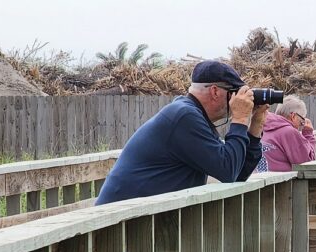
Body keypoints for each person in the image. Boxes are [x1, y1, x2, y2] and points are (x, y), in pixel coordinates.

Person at [96, 60, 268, 205]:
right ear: (215, 91)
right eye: (234, 93)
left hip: (135, 221)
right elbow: (228, 171)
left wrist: (255, 125)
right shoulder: (183, 116)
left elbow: (237, 174)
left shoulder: (192, 115)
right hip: (116, 227)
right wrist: (240, 119)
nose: (237, 100)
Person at [256, 95, 316, 171]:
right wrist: (308, 135)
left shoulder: (260, 126)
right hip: (279, 181)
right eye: (301, 122)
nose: (300, 126)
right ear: (293, 116)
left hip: (259, 179)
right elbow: (307, 165)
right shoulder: (289, 132)